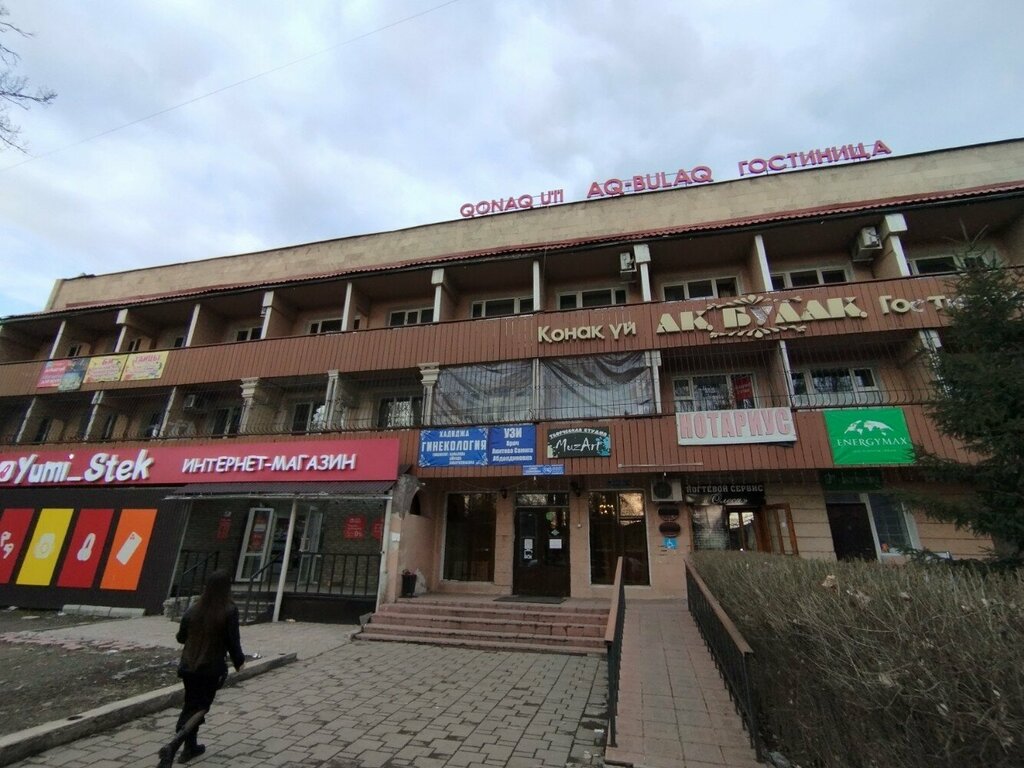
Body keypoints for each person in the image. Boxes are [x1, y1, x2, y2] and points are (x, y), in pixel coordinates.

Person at [160, 569, 245, 765]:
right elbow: (233, 641)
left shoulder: (194, 609)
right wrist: (239, 661)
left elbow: (181, 637)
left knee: (190, 705)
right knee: (201, 707)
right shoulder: (229, 610)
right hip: (210, 668)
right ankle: (173, 746)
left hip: (189, 667)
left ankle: (190, 747)